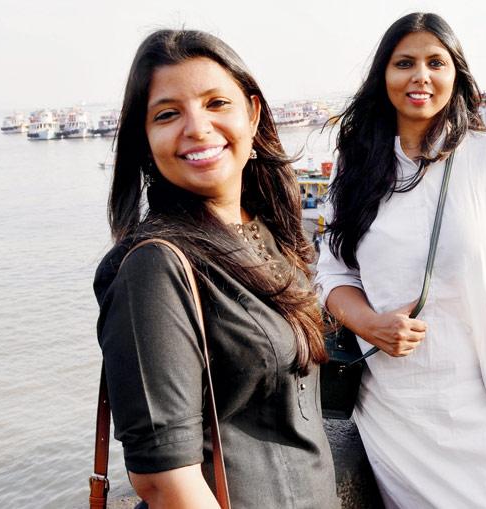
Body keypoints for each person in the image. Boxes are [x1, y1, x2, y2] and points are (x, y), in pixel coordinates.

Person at [316, 13, 486, 509]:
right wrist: (371, 324)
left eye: (435, 62)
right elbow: (334, 272)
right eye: (404, 63)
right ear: (384, 76)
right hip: (397, 409)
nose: (420, 76)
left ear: (456, 75)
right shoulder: (355, 167)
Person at [94, 30, 339, 509]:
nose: (198, 127)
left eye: (216, 103)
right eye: (168, 114)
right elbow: (165, 481)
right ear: (145, 142)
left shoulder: (266, 231)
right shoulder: (154, 267)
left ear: (252, 114)